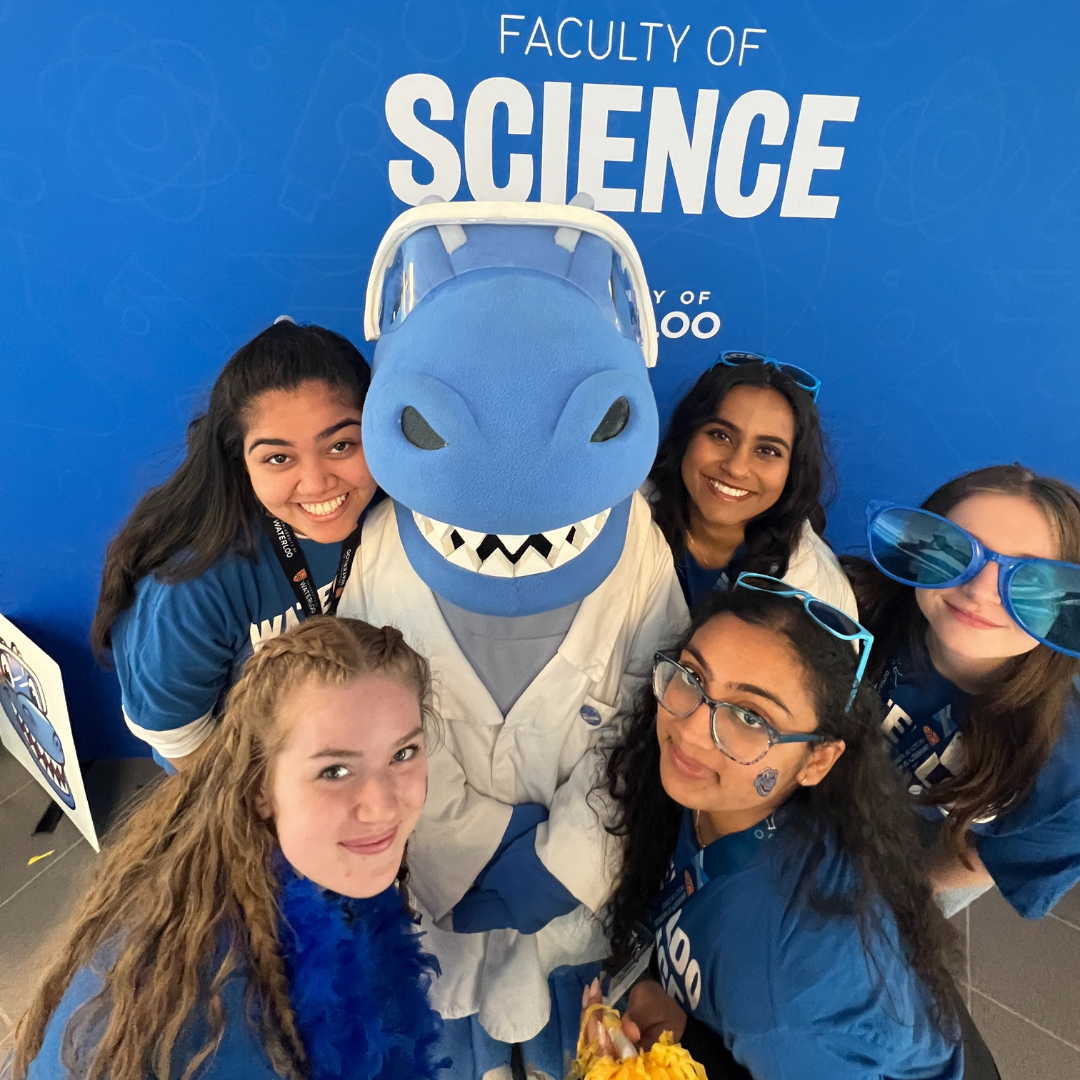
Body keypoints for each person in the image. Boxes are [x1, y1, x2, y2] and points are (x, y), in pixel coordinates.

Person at [8, 616, 445, 1080]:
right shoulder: (193, 1022)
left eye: (403, 754)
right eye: (335, 771)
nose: (381, 807)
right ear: (261, 786)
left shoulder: (330, 869)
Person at [600, 577, 982, 1080]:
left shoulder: (789, 991)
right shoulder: (717, 796)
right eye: (691, 677)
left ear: (817, 759)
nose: (689, 729)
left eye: (750, 716)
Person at [92, 319, 380, 771]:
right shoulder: (189, 583)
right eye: (279, 458)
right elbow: (183, 746)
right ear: (239, 460)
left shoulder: (396, 512)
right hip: (242, 782)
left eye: (342, 445)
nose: (318, 482)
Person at [848, 465, 1080, 919]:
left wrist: (894, 899)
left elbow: (980, 858)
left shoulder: (1065, 772)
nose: (979, 591)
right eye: (954, 551)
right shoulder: (853, 609)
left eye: (1031, 580)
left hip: (906, 860)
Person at [647, 353, 857, 619]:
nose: (736, 467)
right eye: (720, 435)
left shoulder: (817, 590)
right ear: (686, 437)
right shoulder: (618, 520)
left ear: (792, 470)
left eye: (767, 451)